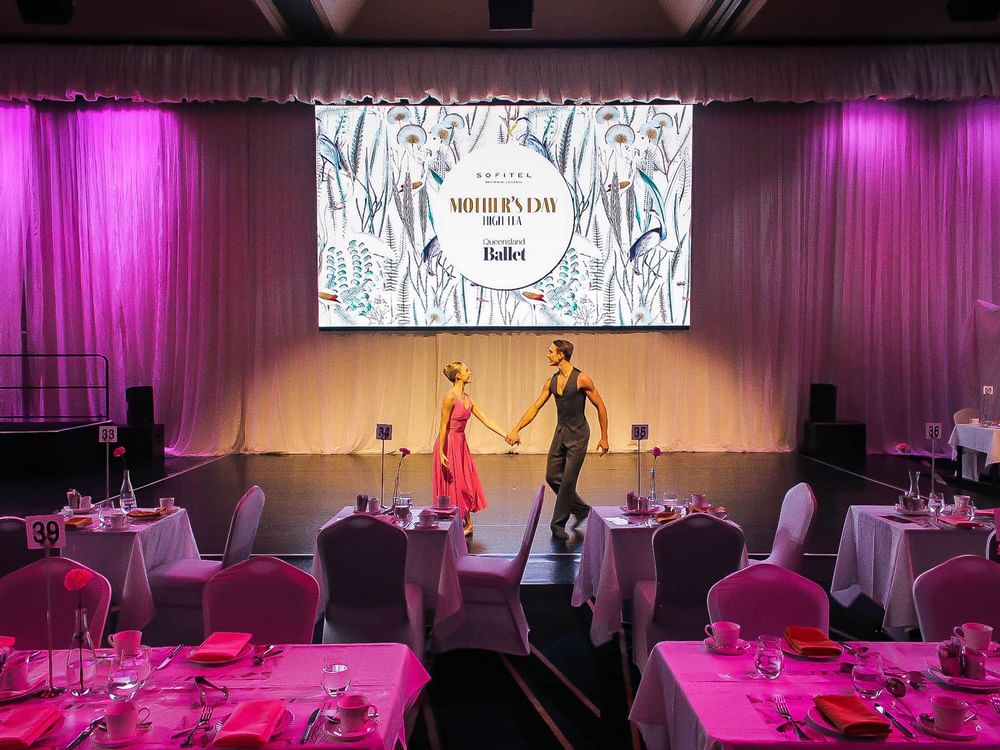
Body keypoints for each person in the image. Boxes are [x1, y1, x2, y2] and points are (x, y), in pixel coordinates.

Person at [506, 340, 609, 540]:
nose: (548, 355)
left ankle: (557, 524)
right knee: (552, 476)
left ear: (561, 354)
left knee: (568, 480)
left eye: (551, 351)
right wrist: (516, 428)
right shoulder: (551, 382)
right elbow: (535, 407)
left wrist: (604, 437)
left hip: (578, 435)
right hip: (561, 433)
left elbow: (601, 407)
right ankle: (580, 509)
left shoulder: (582, 379)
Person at [433, 361, 508, 536]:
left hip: (460, 444)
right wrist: (441, 451)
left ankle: (466, 522)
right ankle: (466, 523)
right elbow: (443, 426)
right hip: (449, 443)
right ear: (458, 376)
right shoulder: (450, 397)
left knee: (466, 483)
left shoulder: (468, 399)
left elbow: (486, 420)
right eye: (467, 370)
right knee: (455, 484)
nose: (470, 372)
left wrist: (505, 435)